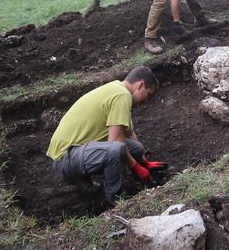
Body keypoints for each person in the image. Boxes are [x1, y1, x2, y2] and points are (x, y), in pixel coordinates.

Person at [46, 66, 166, 205]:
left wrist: (144, 162)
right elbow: (116, 142)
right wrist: (136, 167)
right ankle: (116, 200)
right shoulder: (122, 96)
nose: (147, 100)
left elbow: (130, 134)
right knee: (114, 150)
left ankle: (140, 182)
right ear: (140, 85)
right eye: (148, 94)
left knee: (136, 148)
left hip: (77, 151)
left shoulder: (117, 88)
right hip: (65, 157)